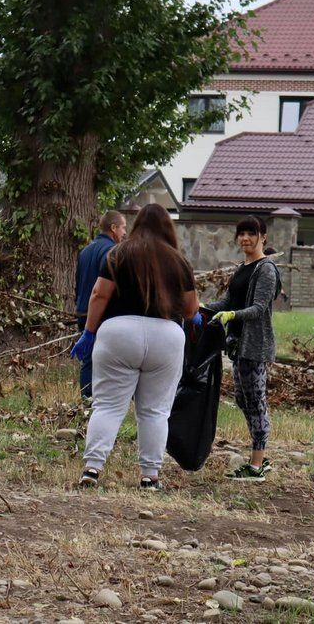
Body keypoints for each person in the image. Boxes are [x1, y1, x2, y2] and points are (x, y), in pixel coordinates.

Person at [70, 204, 198, 491]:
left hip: (118, 332)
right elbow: (191, 310)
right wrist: (195, 319)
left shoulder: (118, 254)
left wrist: (88, 333)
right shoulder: (179, 261)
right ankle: (150, 476)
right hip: (166, 336)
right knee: (154, 411)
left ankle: (92, 468)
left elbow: (99, 294)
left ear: (136, 225)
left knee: (108, 406)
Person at [208, 215, 280, 481]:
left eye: (251, 233)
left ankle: (257, 465)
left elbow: (259, 309)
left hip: (256, 346)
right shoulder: (242, 267)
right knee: (242, 399)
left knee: (256, 402)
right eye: (241, 234)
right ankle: (259, 456)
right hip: (237, 346)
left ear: (263, 237)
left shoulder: (266, 269)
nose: (245, 238)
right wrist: (200, 310)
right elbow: (228, 301)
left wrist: (232, 316)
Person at [73, 210, 128, 398]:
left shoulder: (85, 250)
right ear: (113, 228)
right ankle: (101, 400)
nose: (124, 233)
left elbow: (78, 282)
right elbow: (107, 288)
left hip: (82, 311)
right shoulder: (111, 253)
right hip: (101, 314)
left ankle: (85, 400)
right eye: (123, 228)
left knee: (88, 360)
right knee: (107, 361)